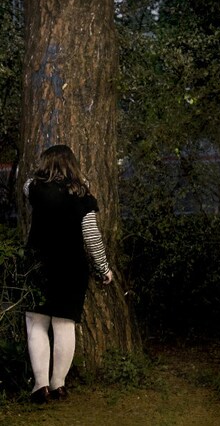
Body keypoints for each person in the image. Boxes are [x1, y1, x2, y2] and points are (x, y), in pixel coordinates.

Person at [23, 144, 113, 404]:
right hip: (71, 266)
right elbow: (92, 236)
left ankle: (40, 386)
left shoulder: (34, 189)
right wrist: (103, 268)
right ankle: (59, 384)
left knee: (37, 323)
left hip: (37, 264)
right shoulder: (82, 195)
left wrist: (44, 174)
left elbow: (27, 181)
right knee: (64, 325)